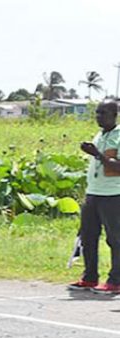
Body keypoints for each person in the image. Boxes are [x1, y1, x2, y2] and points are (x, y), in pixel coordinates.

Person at [69, 100, 120, 294]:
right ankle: (90, 277)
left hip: (113, 194)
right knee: (88, 236)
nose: (98, 117)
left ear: (114, 115)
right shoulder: (100, 134)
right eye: (97, 113)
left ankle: (116, 280)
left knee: (115, 239)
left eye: (103, 113)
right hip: (94, 193)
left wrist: (97, 154)